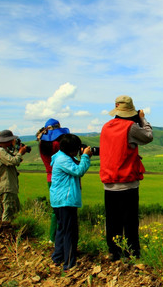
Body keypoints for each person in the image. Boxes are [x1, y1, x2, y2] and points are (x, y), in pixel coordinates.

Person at [99, 95, 153, 261]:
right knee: (129, 221)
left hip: (109, 182)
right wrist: (143, 120)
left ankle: (114, 252)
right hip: (127, 182)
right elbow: (148, 136)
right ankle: (132, 255)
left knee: (112, 220)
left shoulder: (106, 127)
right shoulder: (131, 126)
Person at [50, 134, 92, 271]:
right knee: (70, 232)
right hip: (66, 200)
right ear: (71, 149)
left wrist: (82, 156)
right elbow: (79, 171)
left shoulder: (60, 157)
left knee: (62, 230)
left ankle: (57, 257)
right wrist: (85, 156)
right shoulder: (63, 159)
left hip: (59, 200)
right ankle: (69, 263)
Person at [37, 118, 70, 242]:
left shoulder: (42, 144)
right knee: (64, 208)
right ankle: (60, 237)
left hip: (50, 177)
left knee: (55, 208)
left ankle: (52, 237)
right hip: (61, 177)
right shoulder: (58, 144)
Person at [0, 130, 28, 221]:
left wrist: (17, 151)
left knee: (8, 209)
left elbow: (14, 160)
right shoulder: (0, 151)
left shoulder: (2, 150)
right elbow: (14, 161)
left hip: (6, 186)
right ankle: (6, 230)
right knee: (8, 211)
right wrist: (20, 153)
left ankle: (4, 229)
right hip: (6, 186)